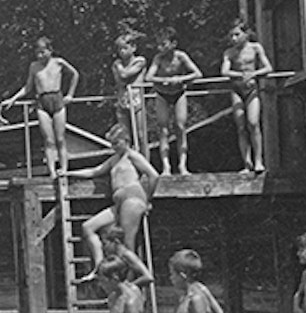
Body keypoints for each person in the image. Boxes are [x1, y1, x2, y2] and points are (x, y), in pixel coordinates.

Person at [62, 124, 159, 268]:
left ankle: (134, 276)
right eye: (112, 144)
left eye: (117, 143)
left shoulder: (132, 156)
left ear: (126, 141)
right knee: (88, 227)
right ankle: (100, 267)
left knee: (127, 244)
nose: (114, 147)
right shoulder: (114, 159)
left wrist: (147, 199)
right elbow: (95, 171)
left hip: (132, 199)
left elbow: (153, 175)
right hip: (118, 203)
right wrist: (68, 173)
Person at [1, 36, 80, 171]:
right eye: (37, 53)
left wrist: (70, 94)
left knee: (60, 139)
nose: (40, 56)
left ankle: (64, 170)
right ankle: (52, 172)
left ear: (50, 50)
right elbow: (28, 87)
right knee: (49, 140)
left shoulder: (58, 62)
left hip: (57, 99)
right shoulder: (34, 66)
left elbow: (75, 74)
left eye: (42, 52)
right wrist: (13, 99)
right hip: (42, 102)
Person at [145, 27, 202, 176]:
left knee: (180, 127)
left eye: (163, 44)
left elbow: (197, 73)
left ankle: (183, 165)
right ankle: (166, 167)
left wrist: (180, 79)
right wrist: (164, 80)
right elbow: (148, 77)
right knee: (163, 129)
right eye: (159, 45)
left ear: (173, 44)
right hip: (162, 94)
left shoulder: (181, 57)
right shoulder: (158, 58)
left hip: (179, 93)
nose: (160, 48)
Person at [221, 20, 272, 174]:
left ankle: (258, 160)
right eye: (231, 36)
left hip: (251, 90)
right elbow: (224, 71)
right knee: (241, 126)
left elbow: (268, 68)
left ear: (246, 34)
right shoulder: (229, 53)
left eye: (237, 35)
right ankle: (247, 163)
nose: (234, 38)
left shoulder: (255, 48)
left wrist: (253, 74)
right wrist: (240, 75)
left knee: (253, 122)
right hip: (237, 90)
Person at [112, 32, 147, 142]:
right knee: (124, 135)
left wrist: (120, 68)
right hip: (122, 99)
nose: (122, 51)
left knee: (140, 134)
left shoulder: (140, 61)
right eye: (119, 49)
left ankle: (143, 153)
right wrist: (120, 71)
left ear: (133, 48)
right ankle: (127, 153)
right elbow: (119, 82)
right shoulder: (116, 64)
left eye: (125, 48)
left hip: (137, 100)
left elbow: (124, 75)